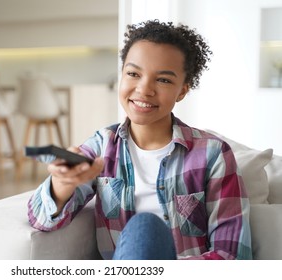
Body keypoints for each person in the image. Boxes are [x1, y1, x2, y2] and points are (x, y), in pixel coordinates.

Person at [27, 19, 252, 260]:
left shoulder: (213, 154)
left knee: (145, 226)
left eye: (163, 80)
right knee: (143, 229)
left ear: (182, 91)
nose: (144, 89)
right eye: (133, 73)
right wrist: (63, 182)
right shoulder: (102, 146)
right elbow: (41, 219)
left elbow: (232, 255)